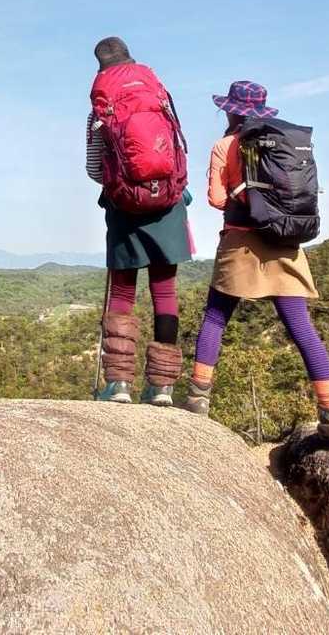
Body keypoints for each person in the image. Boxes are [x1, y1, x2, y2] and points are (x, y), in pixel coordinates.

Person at [183, 80, 329, 450]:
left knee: (215, 318)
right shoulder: (285, 143)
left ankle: (197, 401)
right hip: (284, 240)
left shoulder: (225, 146)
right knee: (302, 329)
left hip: (240, 242)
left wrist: (241, 193)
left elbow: (215, 199)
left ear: (231, 110)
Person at [86, 36, 192, 405]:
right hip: (169, 205)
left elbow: (94, 169)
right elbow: (176, 150)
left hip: (125, 208)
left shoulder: (101, 109)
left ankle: (118, 384)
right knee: (164, 292)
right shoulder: (159, 96)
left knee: (122, 293)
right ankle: (162, 387)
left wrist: (123, 184)